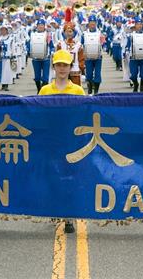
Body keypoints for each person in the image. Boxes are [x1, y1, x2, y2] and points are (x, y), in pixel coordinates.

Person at [39, 49, 84, 233]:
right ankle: (54, 207)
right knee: (52, 175)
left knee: (70, 176)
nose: (62, 69)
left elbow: (83, 115)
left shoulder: (78, 90)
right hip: (51, 139)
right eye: (59, 65)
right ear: (54, 67)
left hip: (71, 140)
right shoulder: (45, 90)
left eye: (65, 65)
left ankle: (68, 217)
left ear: (70, 67)